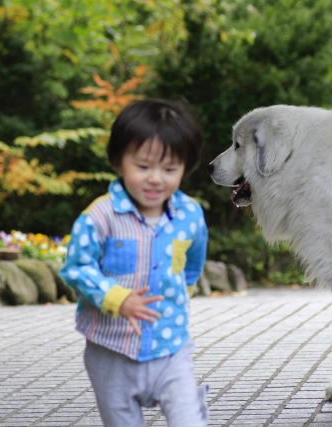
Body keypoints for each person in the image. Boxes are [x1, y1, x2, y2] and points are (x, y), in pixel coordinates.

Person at [61, 98, 209, 427]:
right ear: (118, 161)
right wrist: (117, 298)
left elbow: (193, 258)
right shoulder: (100, 216)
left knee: (189, 420)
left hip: (171, 345)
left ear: (185, 166)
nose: (156, 179)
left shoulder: (190, 215)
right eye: (143, 167)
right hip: (112, 351)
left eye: (170, 169)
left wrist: (185, 285)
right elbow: (76, 267)